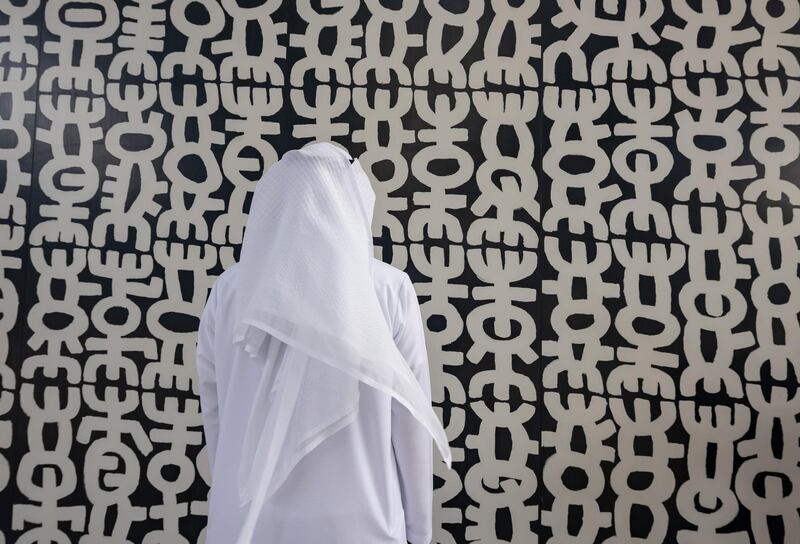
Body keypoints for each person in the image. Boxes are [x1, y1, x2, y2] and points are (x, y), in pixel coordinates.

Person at [195, 141, 452, 544]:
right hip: (366, 528)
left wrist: (236, 495)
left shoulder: (229, 291)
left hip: (246, 525)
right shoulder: (388, 290)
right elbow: (411, 428)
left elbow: (217, 415)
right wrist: (419, 532)